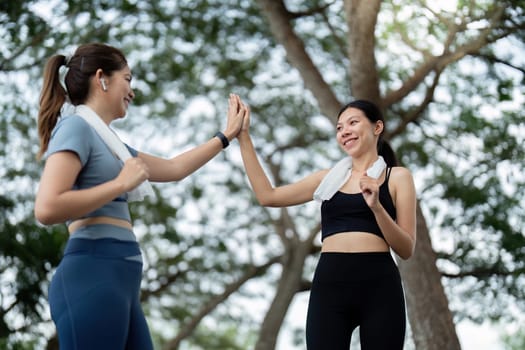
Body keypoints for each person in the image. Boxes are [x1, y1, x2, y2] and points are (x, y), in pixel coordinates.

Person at [34, 43, 246, 349]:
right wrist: (119, 185)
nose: (131, 90)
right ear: (101, 78)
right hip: (93, 275)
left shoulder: (111, 144)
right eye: (128, 79)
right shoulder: (75, 128)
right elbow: (47, 207)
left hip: (123, 281)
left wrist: (226, 136)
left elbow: (173, 168)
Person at [236, 97, 416, 349]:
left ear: (377, 127)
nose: (345, 131)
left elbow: (406, 249)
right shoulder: (327, 179)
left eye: (353, 122)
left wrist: (376, 207)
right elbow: (268, 196)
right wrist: (243, 136)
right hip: (330, 284)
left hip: (379, 286)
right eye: (339, 128)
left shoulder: (397, 177)